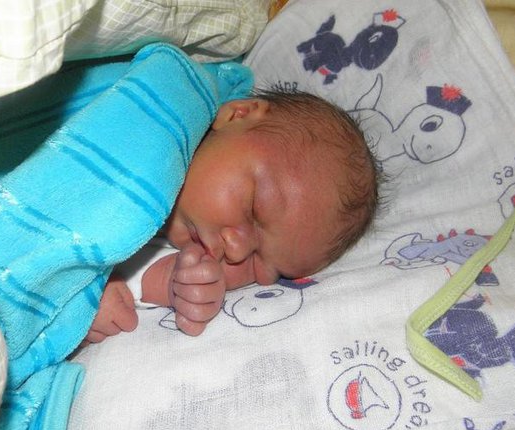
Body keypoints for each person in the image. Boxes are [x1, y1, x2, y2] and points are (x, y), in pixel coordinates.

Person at [87, 89, 378, 343]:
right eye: (253, 210)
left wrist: (89, 297)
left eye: (261, 263)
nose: (236, 250)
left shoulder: (178, 249)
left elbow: (142, 271)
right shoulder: (157, 116)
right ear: (238, 114)